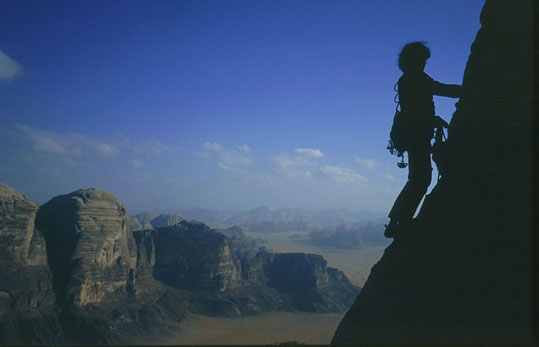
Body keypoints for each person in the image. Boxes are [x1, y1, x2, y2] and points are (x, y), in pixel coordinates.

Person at [385, 42, 461, 238]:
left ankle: (397, 221)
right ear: (415, 61)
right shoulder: (416, 79)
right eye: (422, 60)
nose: (424, 64)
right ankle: (401, 222)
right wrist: (470, 88)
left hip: (414, 135)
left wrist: (433, 120)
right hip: (417, 136)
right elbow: (442, 90)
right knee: (421, 179)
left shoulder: (408, 79)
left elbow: (414, 109)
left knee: (417, 179)